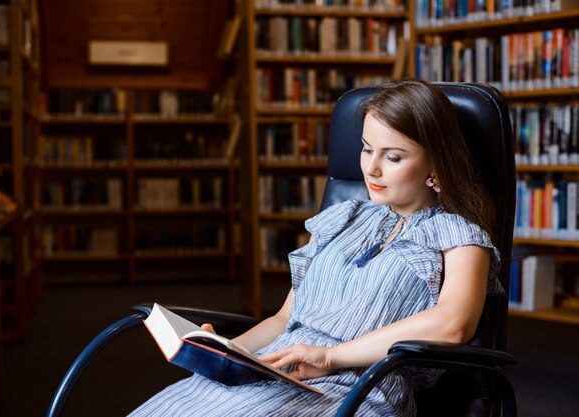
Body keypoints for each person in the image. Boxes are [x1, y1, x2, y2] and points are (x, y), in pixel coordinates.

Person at [128, 79, 504, 417]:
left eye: (392, 157)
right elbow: (283, 320)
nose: (370, 169)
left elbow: (453, 324)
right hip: (273, 369)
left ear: (435, 163)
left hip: (356, 387)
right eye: (366, 149)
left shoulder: (461, 236)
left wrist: (329, 356)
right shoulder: (341, 218)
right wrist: (224, 351)